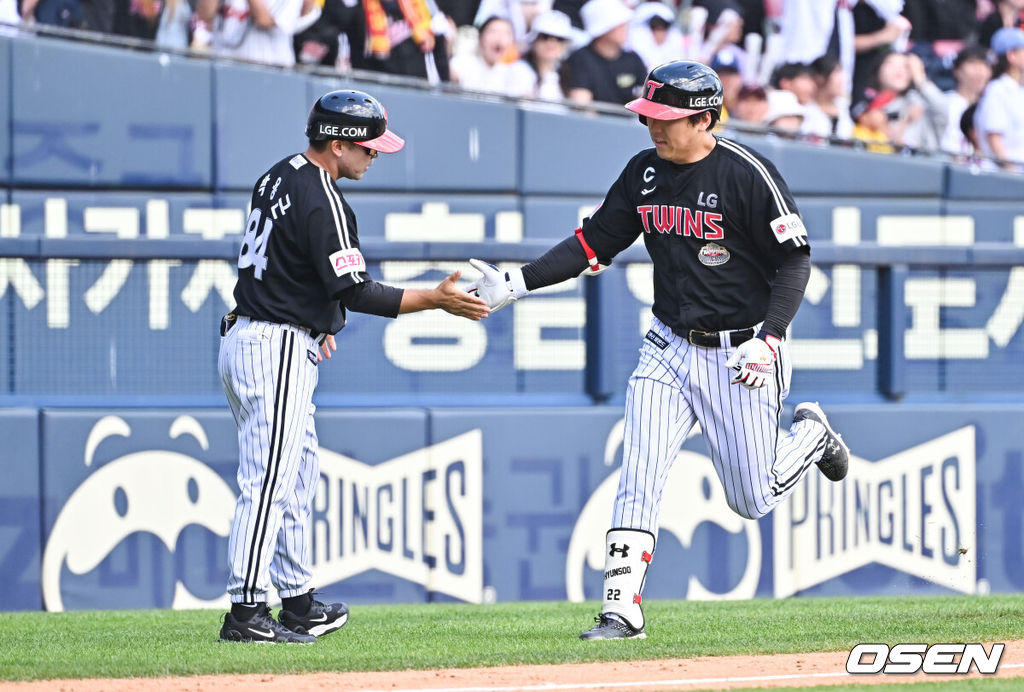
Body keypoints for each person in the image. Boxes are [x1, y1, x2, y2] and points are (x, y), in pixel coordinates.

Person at [465, 60, 850, 641]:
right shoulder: (644, 172)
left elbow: (794, 260)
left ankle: (811, 436)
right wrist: (517, 283)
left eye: (666, 117)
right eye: (648, 115)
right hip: (668, 345)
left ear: (706, 117)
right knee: (640, 468)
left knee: (752, 499)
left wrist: (770, 339)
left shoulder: (746, 173)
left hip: (741, 351)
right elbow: (594, 241)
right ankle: (621, 609)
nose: (653, 127)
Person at [217, 89, 489, 644]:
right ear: (337, 143)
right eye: (368, 147)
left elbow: (286, 265)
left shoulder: (280, 174)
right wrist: (434, 299)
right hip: (275, 345)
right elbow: (357, 290)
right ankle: (245, 612)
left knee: (295, 477)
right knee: (269, 481)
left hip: (265, 333)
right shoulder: (323, 197)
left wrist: (316, 316)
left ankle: (296, 603)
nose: (375, 156)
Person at [562, 0, 647, 105]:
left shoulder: (633, 59)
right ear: (603, 28)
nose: (625, 28)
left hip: (627, 121)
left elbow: (646, 98)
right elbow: (581, 107)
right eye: (619, 24)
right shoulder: (580, 59)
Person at [974, 27, 1024, 171]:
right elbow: (994, 137)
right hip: (1002, 177)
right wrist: (1011, 173)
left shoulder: (1019, 89)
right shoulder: (997, 90)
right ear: (1011, 55)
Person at [506, 9, 574, 101]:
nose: (551, 43)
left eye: (559, 39)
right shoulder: (519, 70)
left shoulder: (565, 76)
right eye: (545, 37)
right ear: (534, 40)